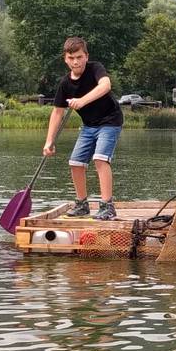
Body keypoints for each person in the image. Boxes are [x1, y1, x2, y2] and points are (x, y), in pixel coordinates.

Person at [43, 36, 123, 220]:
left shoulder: (95, 69)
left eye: (79, 57)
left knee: (100, 159)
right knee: (75, 162)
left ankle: (107, 206)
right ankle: (82, 205)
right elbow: (57, 113)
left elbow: (105, 86)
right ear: (65, 59)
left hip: (110, 121)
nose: (75, 62)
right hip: (89, 126)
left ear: (86, 56)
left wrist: (82, 101)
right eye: (71, 58)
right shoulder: (65, 84)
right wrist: (49, 141)